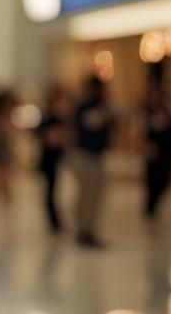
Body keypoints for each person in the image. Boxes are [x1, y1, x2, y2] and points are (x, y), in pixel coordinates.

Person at [71, 75, 115, 247]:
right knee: (87, 194)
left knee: (96, 194)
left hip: (97, 156)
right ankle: (84, 229)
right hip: (85, 155)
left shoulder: (103, 106)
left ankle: (90, 228)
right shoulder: (84, 106)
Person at [138, 76, 171, 221]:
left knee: (165, 179)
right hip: (152, 151)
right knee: (151, 180)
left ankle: (154, 203)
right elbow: (142, 130)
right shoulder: (146, 110)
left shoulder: (168, 109)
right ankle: (150, 207)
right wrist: (145, 145)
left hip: (166, 151)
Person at [37, 84, 69, 233]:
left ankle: (56, 221)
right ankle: (54, 222)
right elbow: (50, 139)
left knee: (54, 191)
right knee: (50, 191)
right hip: (49, 159)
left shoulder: (59, 118)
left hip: (57, 159)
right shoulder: (49, 118)